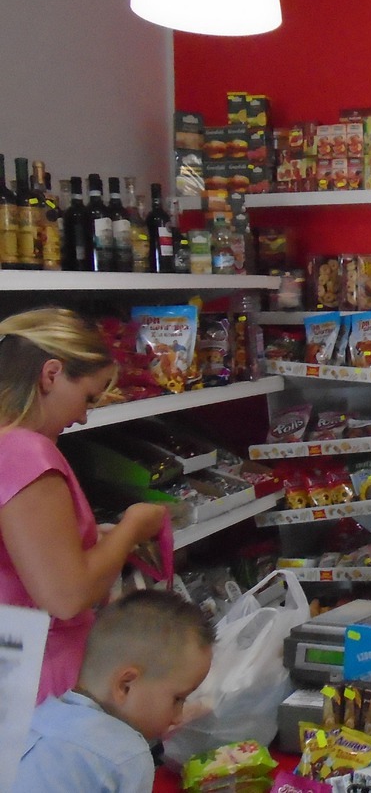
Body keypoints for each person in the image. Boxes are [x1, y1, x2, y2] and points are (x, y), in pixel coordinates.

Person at [0, 307, 169, 703]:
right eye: (87, 398)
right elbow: (66, 596)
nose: (83, 417)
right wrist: (131, 528)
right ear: (51, 374)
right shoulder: (25, 452)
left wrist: (91, 544)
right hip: (41, 673)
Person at [17, 589, 214, 793]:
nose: (178, 717)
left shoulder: (41, 718)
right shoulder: (127, 755)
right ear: (125, 686)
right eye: (178, 699)